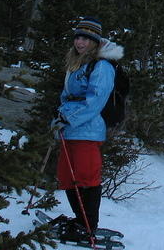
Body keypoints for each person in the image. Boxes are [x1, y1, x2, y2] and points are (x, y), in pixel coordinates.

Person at [50, 16, 124, 240]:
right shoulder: (76, 63)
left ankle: (88, 224)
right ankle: (79, 219)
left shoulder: (101, 66)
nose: (80, 42)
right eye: (78, 38)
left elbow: (95, 102)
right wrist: (59, 116)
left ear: (95, 41)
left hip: (88, 129)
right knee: (68, 175)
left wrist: (69, 118)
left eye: (85, 39)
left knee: (86, 176)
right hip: (70, 128)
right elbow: (67, 95)